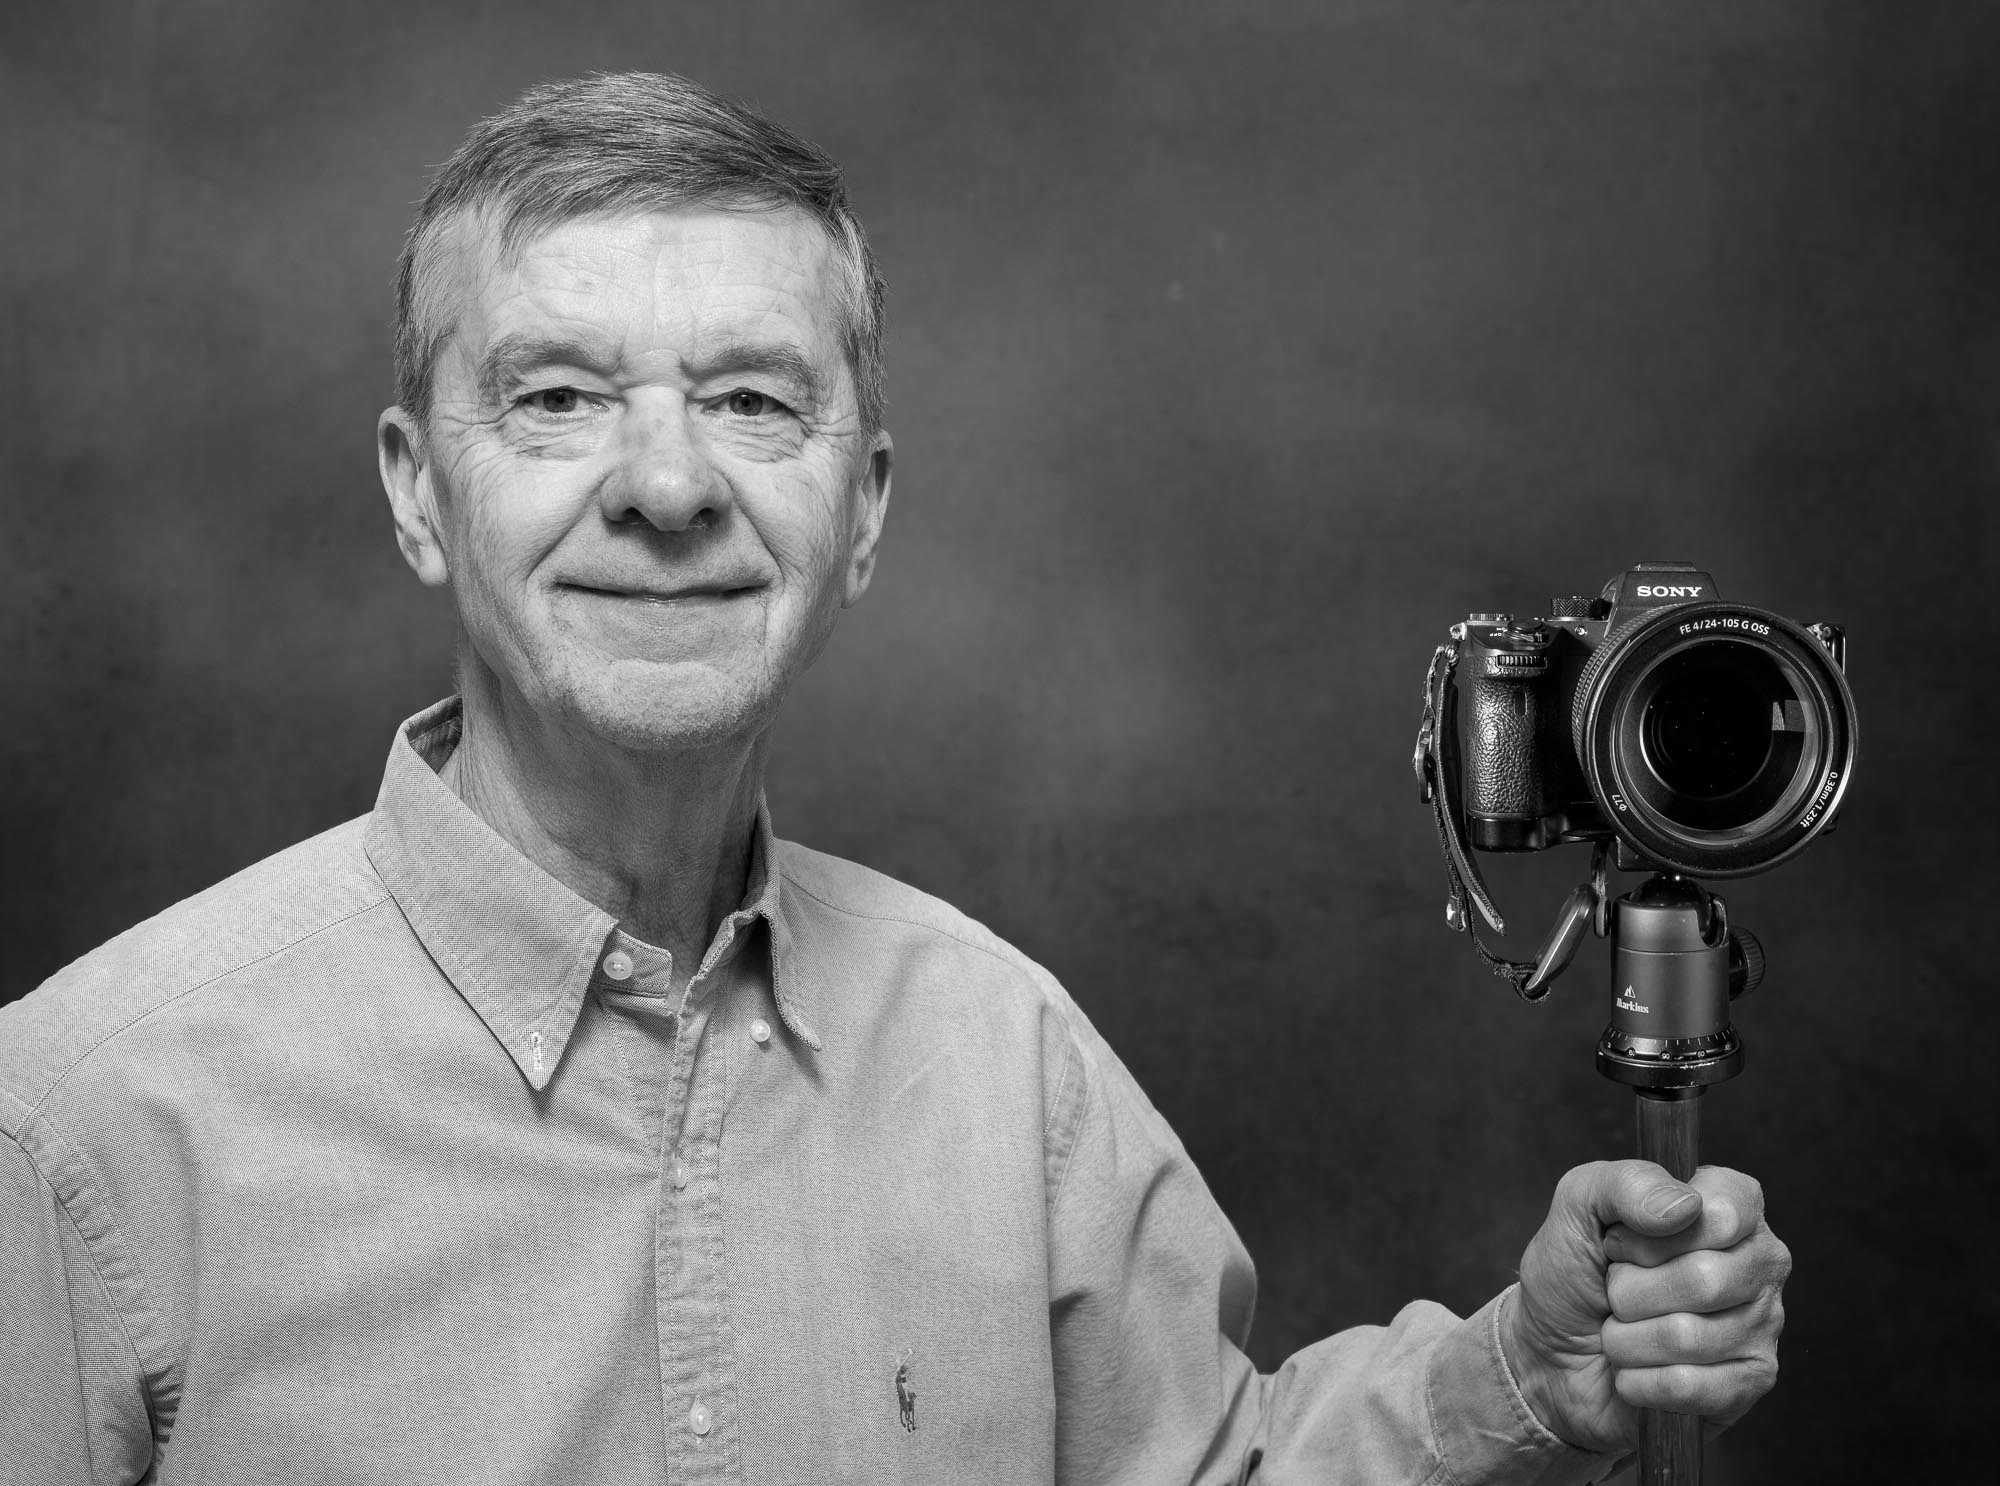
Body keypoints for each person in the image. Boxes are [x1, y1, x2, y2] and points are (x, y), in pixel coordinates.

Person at [0, 72, 1788, 1484]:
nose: (671, 486)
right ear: (413, 489)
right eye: (555, 397)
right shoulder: (82, 1129)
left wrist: (1523, 1375)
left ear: (858, 512)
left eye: (757, 401)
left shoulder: (1009, 1065)